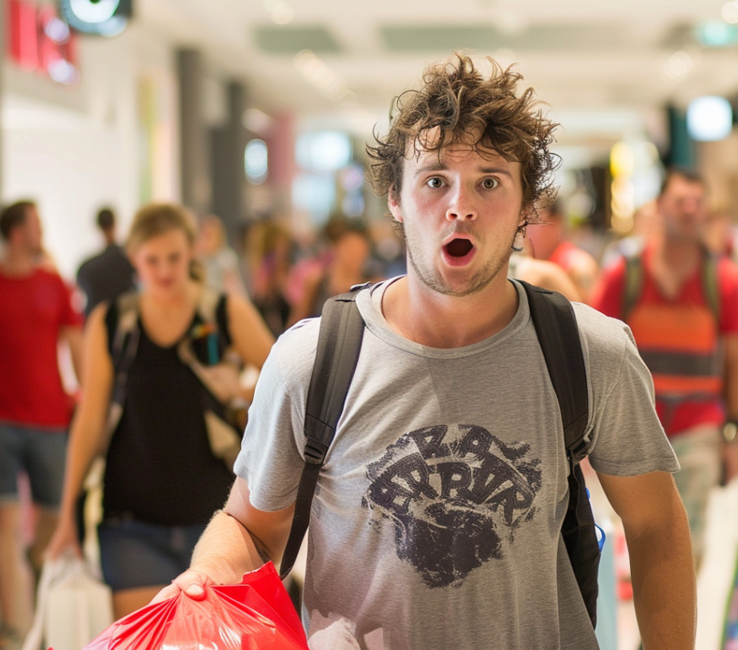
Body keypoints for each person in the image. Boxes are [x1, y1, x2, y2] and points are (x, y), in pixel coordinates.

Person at [154, 55, 694, 650]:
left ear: (524, 206)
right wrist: (203, 577)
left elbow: (655, 526)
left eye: (489, 181)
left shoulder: (589, 353)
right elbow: (253, 529)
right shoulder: (313, 362)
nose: (459, 205)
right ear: (395, 198)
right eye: (435, 179)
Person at [45, 203, 274, 618]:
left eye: (174, 257)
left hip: (217, 520)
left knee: (213, 638)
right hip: (131, 519)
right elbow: (90, 418)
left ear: (191, 253)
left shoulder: (221, 312)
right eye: (153, 260)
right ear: (134, 258)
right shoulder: (113, 323)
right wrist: (66, 516)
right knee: (150, 637)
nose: (165, 270)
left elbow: (284, 376)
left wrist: (241, 389)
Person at [590, 167, 738, 570]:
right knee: (643, 537)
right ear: (660, 208)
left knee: (688, 541)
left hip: (699, 426)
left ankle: (669, 633)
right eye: (680, 201)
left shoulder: (724, 280)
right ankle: (654, 633)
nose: (689, 210)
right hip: (634, 426)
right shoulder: (624, 275)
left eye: (698, 203)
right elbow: (594, 345)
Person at [0, 200, 84, 649]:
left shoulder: (55, 285)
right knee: (1, 521)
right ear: (17, 233)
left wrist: (87, 400)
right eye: (36, 224)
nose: (41, 230)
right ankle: (13, 624)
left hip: (49, 419)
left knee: (51, 517)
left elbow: (77, 345)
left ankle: (32, 559)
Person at [287, 217, 375, 326]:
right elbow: (295, 323)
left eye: (360, 248)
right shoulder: (317, 282)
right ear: (336, 247)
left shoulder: (372, 285)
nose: (355, 255)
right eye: (349, 248)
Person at [527, 197, 599, 298]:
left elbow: (589, 310)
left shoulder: (578, 266)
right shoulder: (531, 266)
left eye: (533, 220)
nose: (527, 230)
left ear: (555, 222)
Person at [76, 207, 136, 317]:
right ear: (115, 223)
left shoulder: (86, 268)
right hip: (126, 319)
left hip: (97, 323)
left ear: (98, 227)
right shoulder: (131, 258)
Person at [196, 214, 249, 297]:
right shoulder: (198, 259)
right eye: (203, 234)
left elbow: (235, 289)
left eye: (209, 235)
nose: (204, 239)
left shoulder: (226, 258)